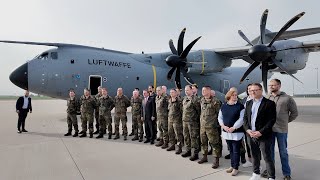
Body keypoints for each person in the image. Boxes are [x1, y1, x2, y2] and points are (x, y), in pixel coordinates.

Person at [262, 79, 298, 180]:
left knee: (283, 152)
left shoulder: (287, 98)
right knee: (270, 152)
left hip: (281, 130)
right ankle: (269, 170)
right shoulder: (267, 97)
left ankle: (286, 173)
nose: (271, 87)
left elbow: (294, 113)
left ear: (279, 85)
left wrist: (285, 121)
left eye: (273, 85)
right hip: (269, 130)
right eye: (270, 85)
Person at [243, 83, 276, 180]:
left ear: (261, 90)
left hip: (263, 135)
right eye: (251, 90)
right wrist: (248, 130)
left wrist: (260, 132)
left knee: (267, 157)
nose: (252, 92)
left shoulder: (269, 103)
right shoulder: (249, 103)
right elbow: (245, 119)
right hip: (251, 135)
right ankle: (256, 173)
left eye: (255, 90)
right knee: (254, 156)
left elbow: (271, 120)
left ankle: (271, 177)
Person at [218, 89, 245, 176]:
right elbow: (220, 117)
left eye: (236, 95)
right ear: (229, 96)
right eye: (233, 95)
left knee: (236, 150)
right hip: (226, 132)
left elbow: (241, 119)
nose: (235, 96)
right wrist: (223, 126)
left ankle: (236, 168)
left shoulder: (240, 106)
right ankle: (232, 165)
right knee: (231, 150)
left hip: (236, 132)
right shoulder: (224, 106)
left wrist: (234, 127)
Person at [198, 86, 222, 169]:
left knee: (214, 144)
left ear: (209, 91)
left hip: (212, 127)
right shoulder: (202, 100)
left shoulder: (215, 101)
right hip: (203, 126)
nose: (203, 92)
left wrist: (217, 125)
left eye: (204, 90)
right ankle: (204, 157)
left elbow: (219, 114)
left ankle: (216, 160)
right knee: (203, 143)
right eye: (202, 90)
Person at [181, 85, 201, 161]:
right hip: (185, 121)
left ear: (192, 90)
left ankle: (195, 154)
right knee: (186, 137)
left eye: (188, 90)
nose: (186, 92)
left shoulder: (195, 99)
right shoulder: (185, 99)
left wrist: (196, 121)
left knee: (194, 138)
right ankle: (188, 151)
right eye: (185, 90)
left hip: (193, 123)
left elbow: (198, 111)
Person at [167, 88, 184, 154]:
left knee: (178, 135)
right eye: (170, 92)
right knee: (170, 133)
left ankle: (179, 148)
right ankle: (172, 145)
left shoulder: (179, 101)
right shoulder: (169, 100)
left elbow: (182, 111)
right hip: (170, 120)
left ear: (176, 93)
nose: (171, 94)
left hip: (177, 120)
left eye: (173, 92)